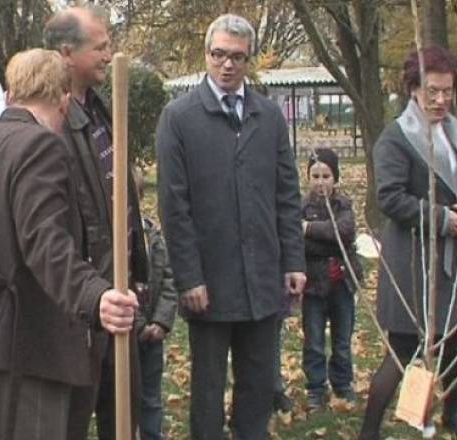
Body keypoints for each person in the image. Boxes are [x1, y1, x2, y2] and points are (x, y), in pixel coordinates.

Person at [0, 48, 138, 440]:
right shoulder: (41, 146)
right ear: (64, 99)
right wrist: (94, 295)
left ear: (11, 94)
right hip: (25, 345)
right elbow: (44, 241)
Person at [156, 13, 306, 440]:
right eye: (219, 54)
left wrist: (293, 261)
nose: (227, 65)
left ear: (248, 60)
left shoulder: (269, 117)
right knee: (208, 390)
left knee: (257, 387)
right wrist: (189, 277)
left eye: (237, 57)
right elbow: (174, 207)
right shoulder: (179, 118)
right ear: (206, 55)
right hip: (209, 282)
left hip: (262, 279)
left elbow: (286, 194)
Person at [359, 46, 457, 440]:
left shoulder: (455, 132)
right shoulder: (397, 138)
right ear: (414, 89)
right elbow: (390, 198)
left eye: (448, 91)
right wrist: (441, 218)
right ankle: (369, 430)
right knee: (402, 350)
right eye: (432, 91)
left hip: (451, 260)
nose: (441, 100)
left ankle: (452, 415)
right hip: (413, 260)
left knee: (455, 341)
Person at [44, 7, 149, 438]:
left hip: (116, 290)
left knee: (123, 412)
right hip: (81, 304)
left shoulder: (100, 108)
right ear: (67, 53)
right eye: (100, 47)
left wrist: (136, 271)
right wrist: (91, 292)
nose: (109, 55)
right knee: (72, 418)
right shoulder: (52, 124)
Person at [301, 148, 362, 409]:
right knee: (314, 340)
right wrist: (328, 241)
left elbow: (345, 233)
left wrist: (310, 229)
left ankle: (342, 383)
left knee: (342, 340)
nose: (321, 182)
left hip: (342, 284)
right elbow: (300, 243)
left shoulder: (343, 205)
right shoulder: (302, 207)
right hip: (313, 286)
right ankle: (316, 387)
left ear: (335, 178)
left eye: (326, 176)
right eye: (315, 176)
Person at [132, 167, 178, 440]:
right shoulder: (113, 240)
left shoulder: (154, 238)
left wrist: (161, 321)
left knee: (151, 394)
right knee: (123, 393)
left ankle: (151, 433)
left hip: (153, 333)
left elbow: (170, 281)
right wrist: (138, 324)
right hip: (127, 332)